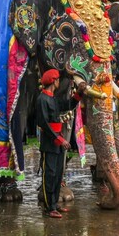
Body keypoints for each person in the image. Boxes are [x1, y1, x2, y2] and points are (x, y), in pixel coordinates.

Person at [36, 69, 81, 218]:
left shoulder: (53, 98)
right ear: (54, 82)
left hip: (58, 141)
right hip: (50, 142)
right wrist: (60, 139)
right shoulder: (42, 99)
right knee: (49, 174)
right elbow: (43, 123)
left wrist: (78, 94)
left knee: (57, 174)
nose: (59, 83)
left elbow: (67, 105)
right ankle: (49, 208)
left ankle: (55, 204)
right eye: (57, 80)